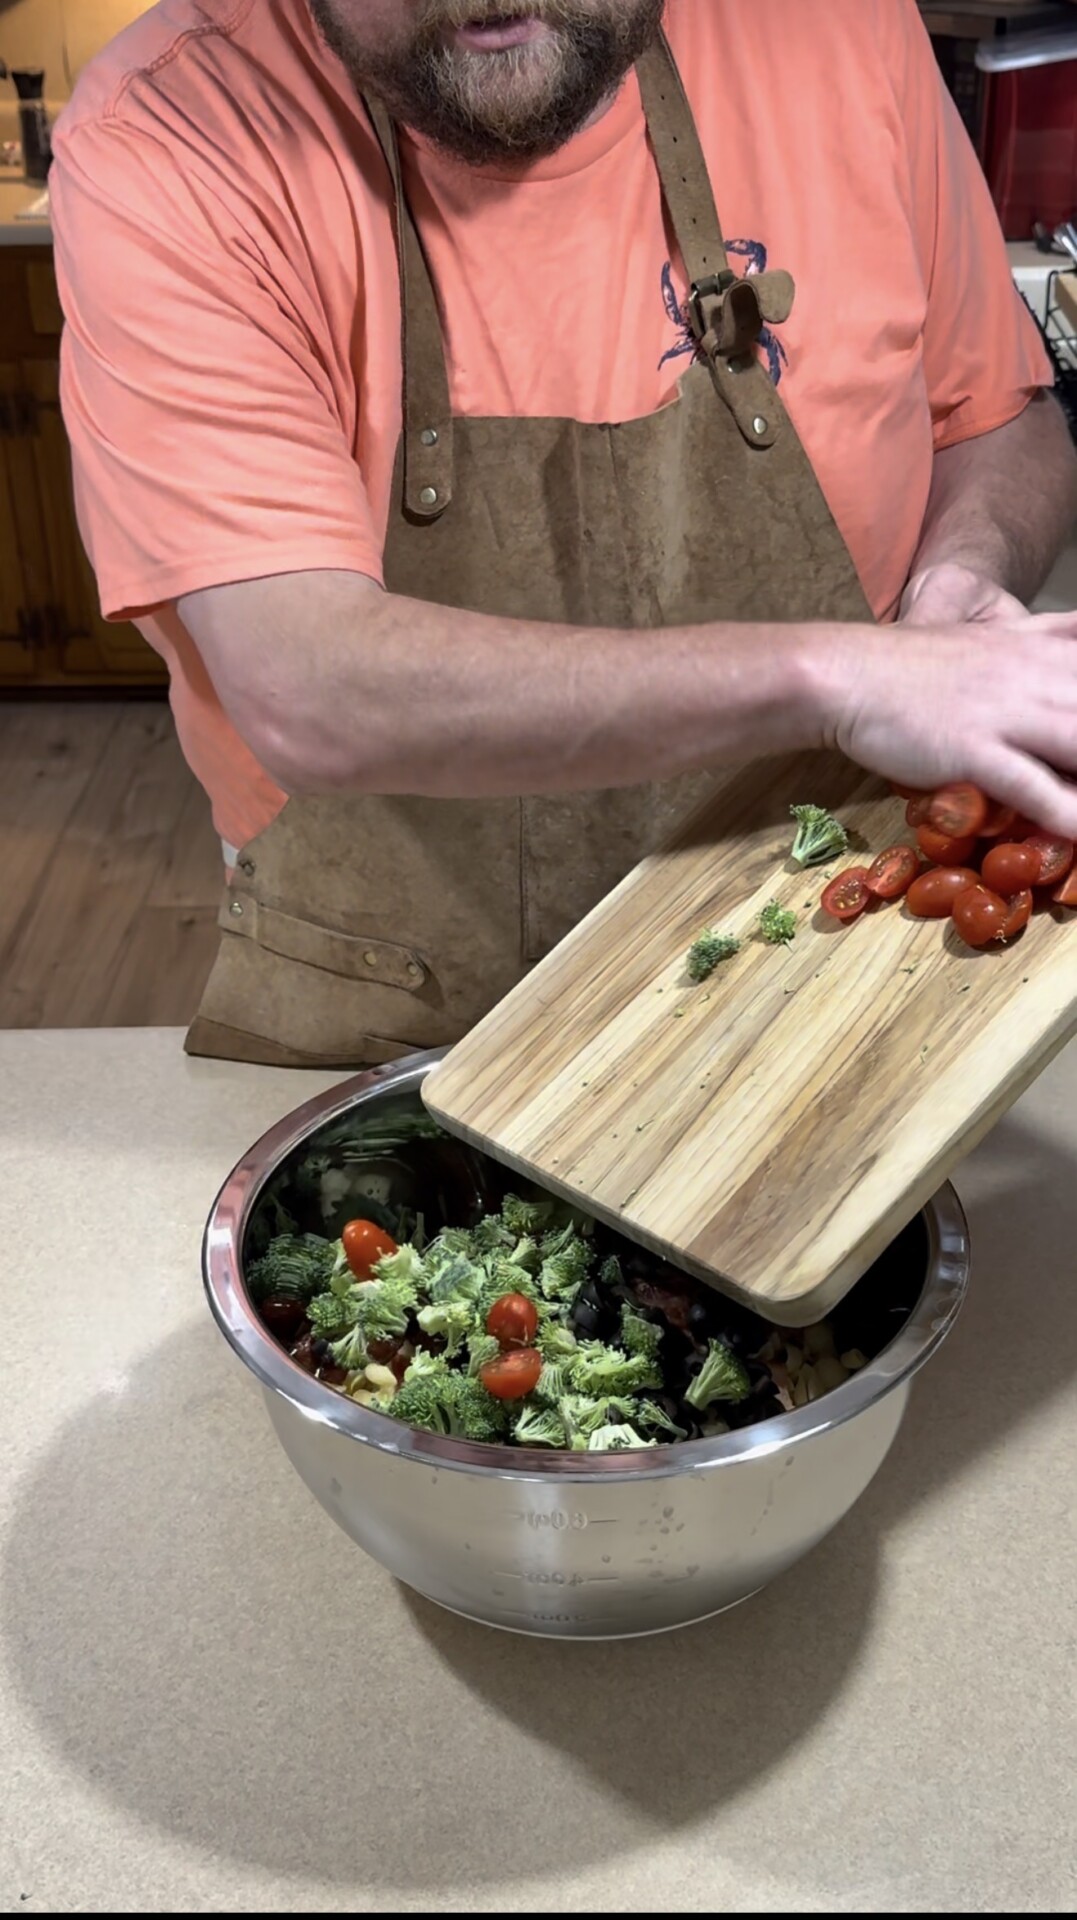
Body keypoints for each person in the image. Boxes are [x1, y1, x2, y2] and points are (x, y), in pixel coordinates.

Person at [51, 0, 1077, 1067]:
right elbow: (303, 681)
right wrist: (848, 677)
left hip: (827, 958)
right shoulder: (168, 131)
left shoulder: (841, 25)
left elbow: (996, 421)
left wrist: (961, 581)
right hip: (399, 1010)